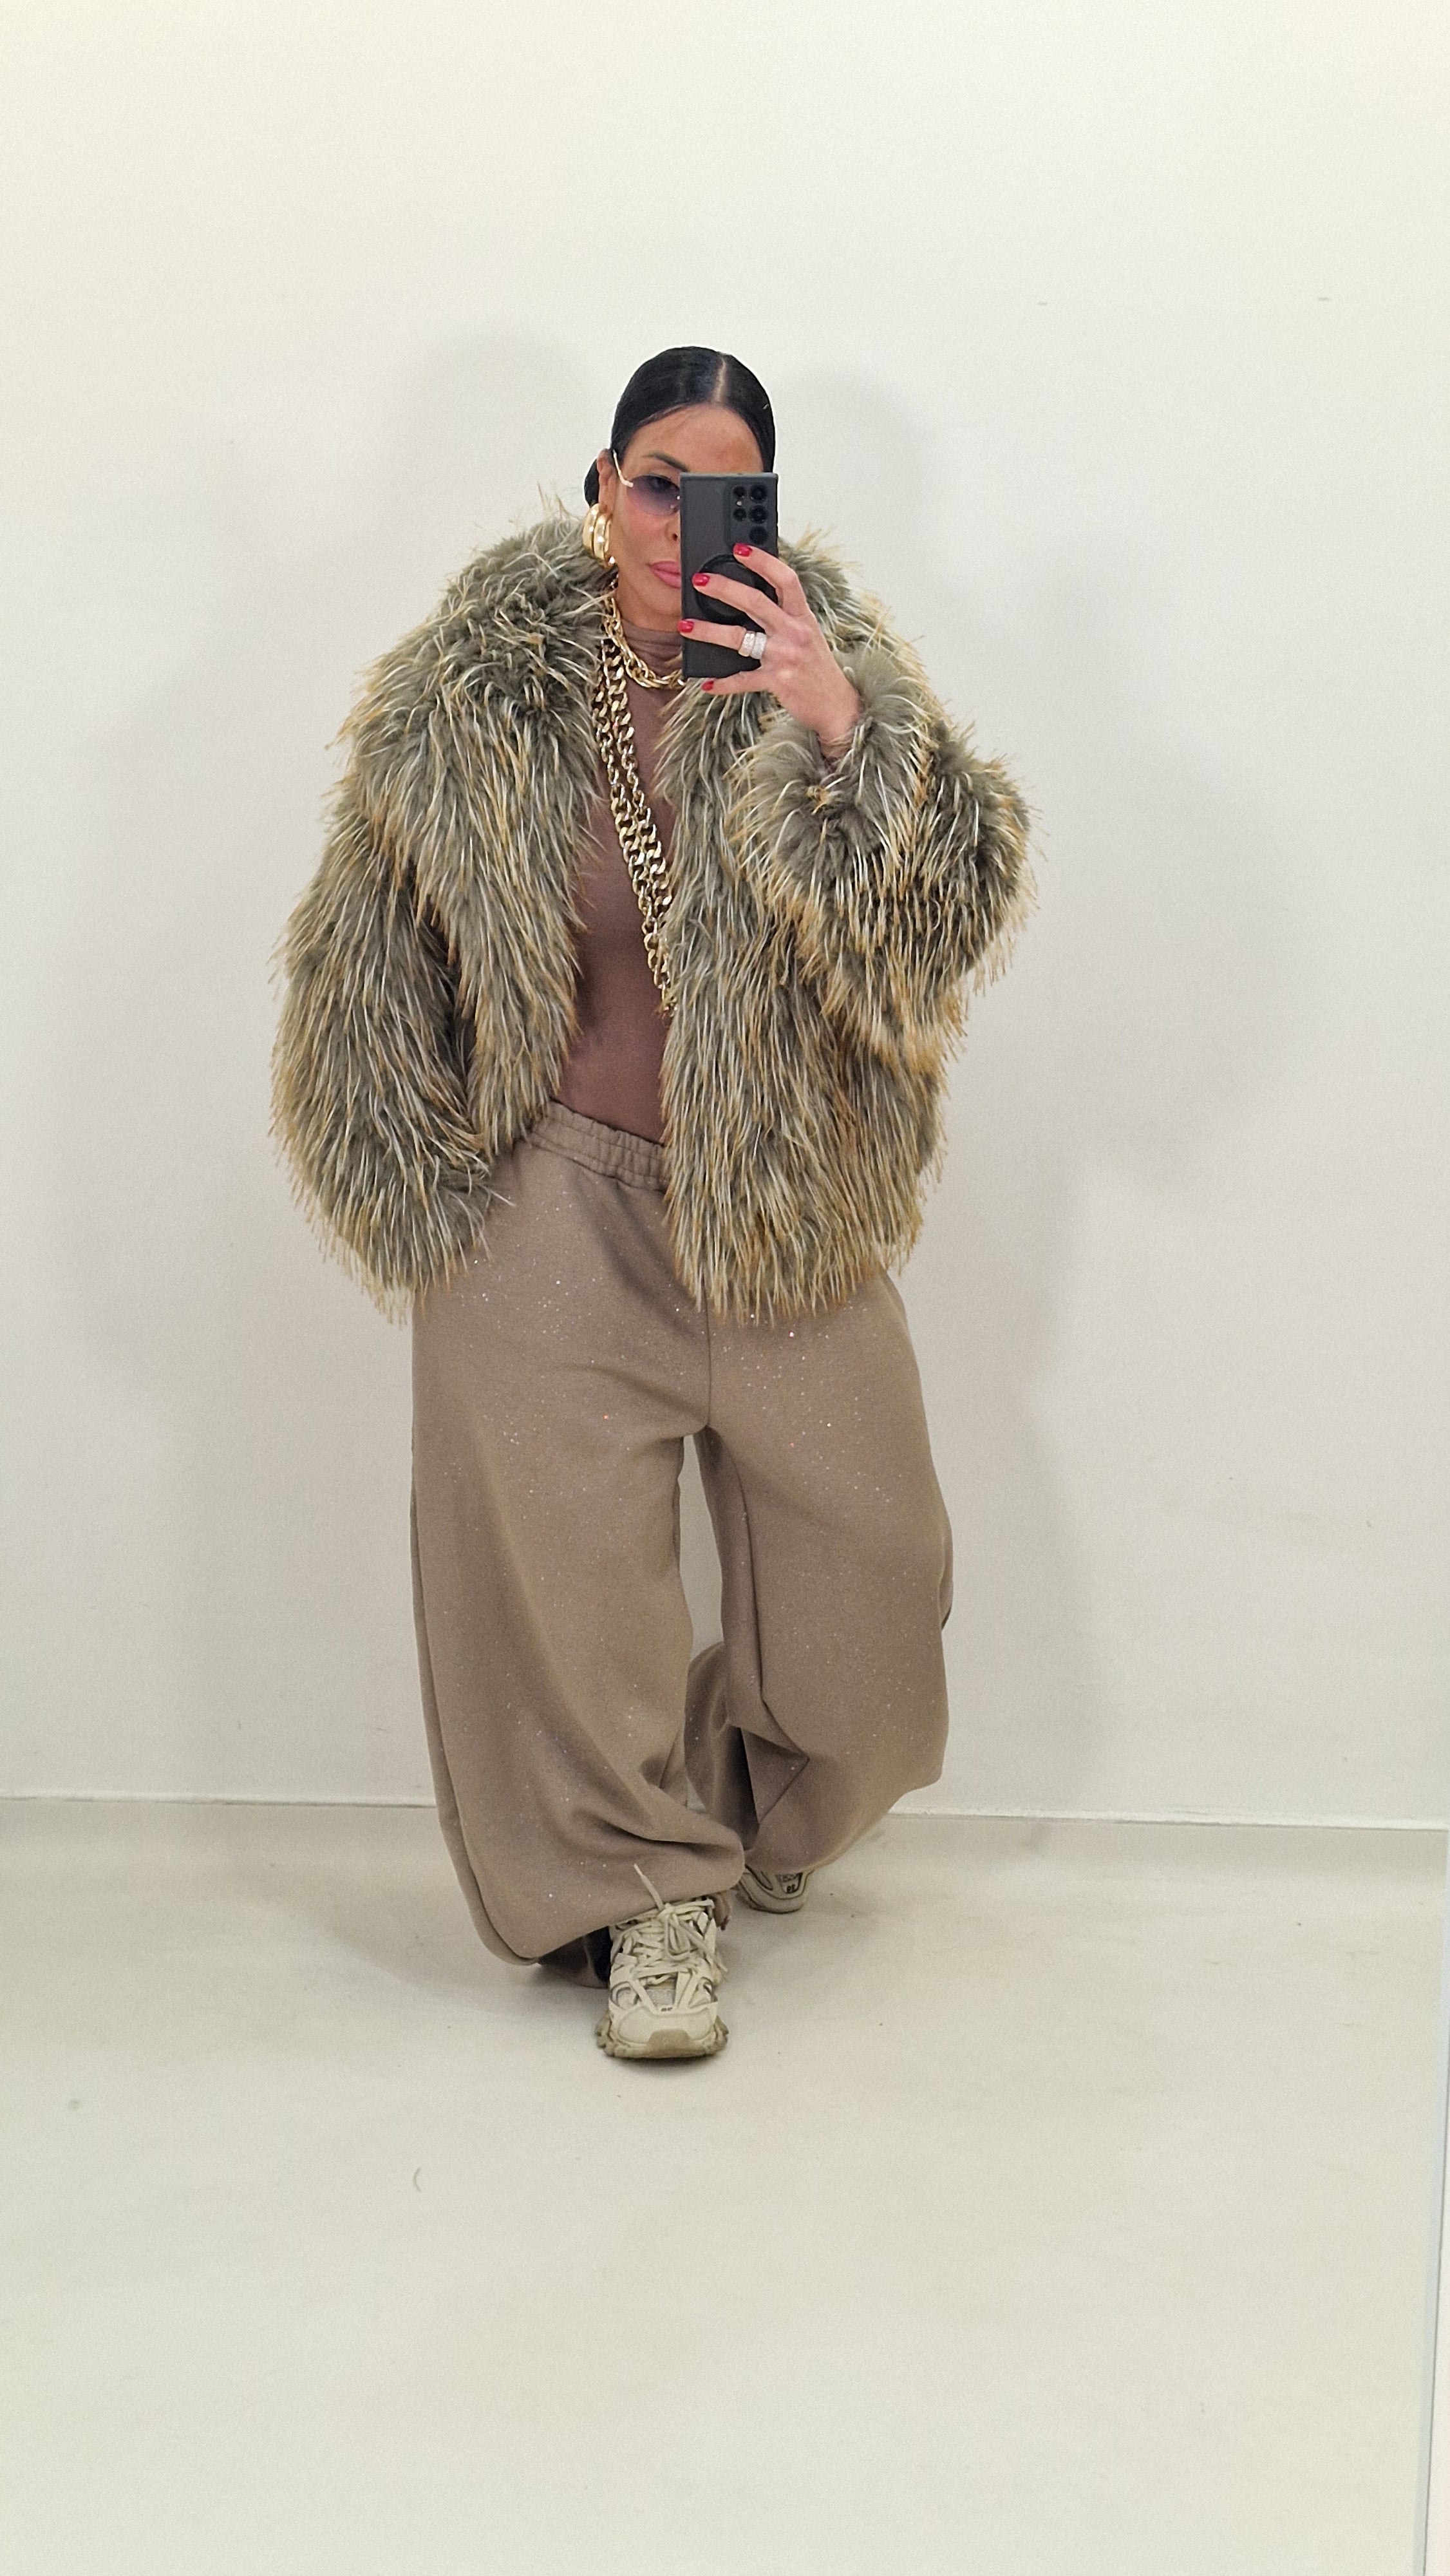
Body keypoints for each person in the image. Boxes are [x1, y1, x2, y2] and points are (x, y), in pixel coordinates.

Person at [272, 345, 1031, 2063]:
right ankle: (646, 1902)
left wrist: (843, 732)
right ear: (602, 486)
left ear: (764, 503)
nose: (679, 519)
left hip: (779, 1204)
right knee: (566, 1592)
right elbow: (363, 944)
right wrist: (423, 1181)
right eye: (655, 481)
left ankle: (750, 1815)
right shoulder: (476, 693)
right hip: (543, 1197)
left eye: (719, 487)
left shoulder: (825, 664)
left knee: (876, 1575)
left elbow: (947, 925)